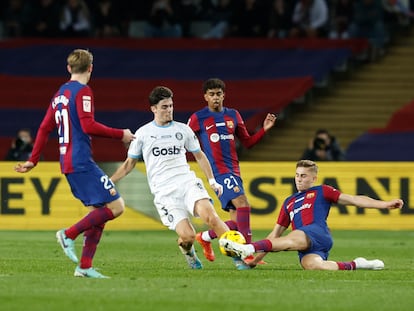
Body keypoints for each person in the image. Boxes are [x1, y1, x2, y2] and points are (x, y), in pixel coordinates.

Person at [14, 49, 135, 278]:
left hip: (68, 161)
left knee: (98, 214)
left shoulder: (60, 93)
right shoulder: (83, 92)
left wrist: (33, 159)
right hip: (80, 161)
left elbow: (43, 128)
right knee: (117, 207)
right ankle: (68, 234)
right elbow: (88, 126)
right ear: (91, 68)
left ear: (69, 68)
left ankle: (85, 267)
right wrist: (121, 134)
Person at [110, 86, 247, 270]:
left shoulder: (183, 130)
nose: (169, 110)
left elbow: (199, 155)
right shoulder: (142, 134)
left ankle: (239, 258)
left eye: (171, 106)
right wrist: (109, 182)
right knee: (188, 236)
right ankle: (188, 251)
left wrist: (212, 180)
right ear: (154, 109)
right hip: (164, 192)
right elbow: (129, 165)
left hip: (187, 182)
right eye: (165, 107)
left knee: (212, 217)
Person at [220, 159, 404, 270]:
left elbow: (355, 199)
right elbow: (274, 235)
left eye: (304, 176)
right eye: (297, 175)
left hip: (317, 232)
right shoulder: (288, 202)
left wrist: (385, 204)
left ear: (313, 178)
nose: (299, 179)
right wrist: (254, 261)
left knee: (292, 238)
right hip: (306, 245)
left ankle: (247, 248)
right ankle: (359, 264)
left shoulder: (322, 191)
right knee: (314, 266)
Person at [187, 78, 277, 264]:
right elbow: (184, 140)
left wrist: (264, 130)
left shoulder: (233, 115)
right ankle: (247, 253)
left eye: (219, 94)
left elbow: (248, 143)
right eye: (211, 94)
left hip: (234, 171)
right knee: (243, 204)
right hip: (218, 172)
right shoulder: (198, 118)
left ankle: (204, 237)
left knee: (236, 223)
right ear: (205, 97)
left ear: (224, 95)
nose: (216, 98)